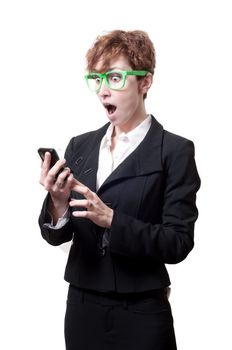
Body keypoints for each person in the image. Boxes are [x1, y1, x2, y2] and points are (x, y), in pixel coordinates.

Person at [39, 30, 200, 350]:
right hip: (83, 307)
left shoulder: (174, 150)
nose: (103, 90)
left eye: (114, 77)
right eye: (97, 79)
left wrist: (113, 219)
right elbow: (56, 234)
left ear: (145, 82)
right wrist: (58, 204)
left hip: (142, 310)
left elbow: (178, 242)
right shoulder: (80, 145)